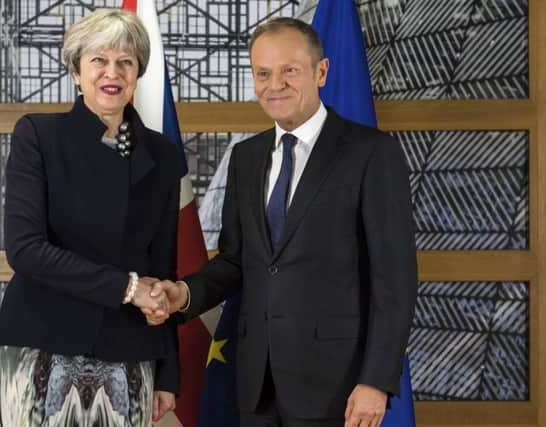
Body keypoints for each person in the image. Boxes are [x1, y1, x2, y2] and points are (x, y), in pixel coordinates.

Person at [146, 17, 418, 427]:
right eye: (263, 73)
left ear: (321, 72)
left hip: (340, 387)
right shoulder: (247, 158)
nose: (276, 85)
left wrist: (376, 382)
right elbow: (238, 260)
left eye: (290, 70)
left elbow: (394, 280)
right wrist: (184, 293)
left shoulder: (371, 153)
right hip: (257, 383)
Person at [0, 9, 177, 427]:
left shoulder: (162, 155)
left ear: (137, 73)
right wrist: (128, 288)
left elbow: (163, 266)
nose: (112, 72)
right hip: (42, 342)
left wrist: (170, 372)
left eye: (125, 62)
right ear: (76, 71)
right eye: (99, 60)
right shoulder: (38, 135)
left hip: (130, 347)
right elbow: (25, 250)